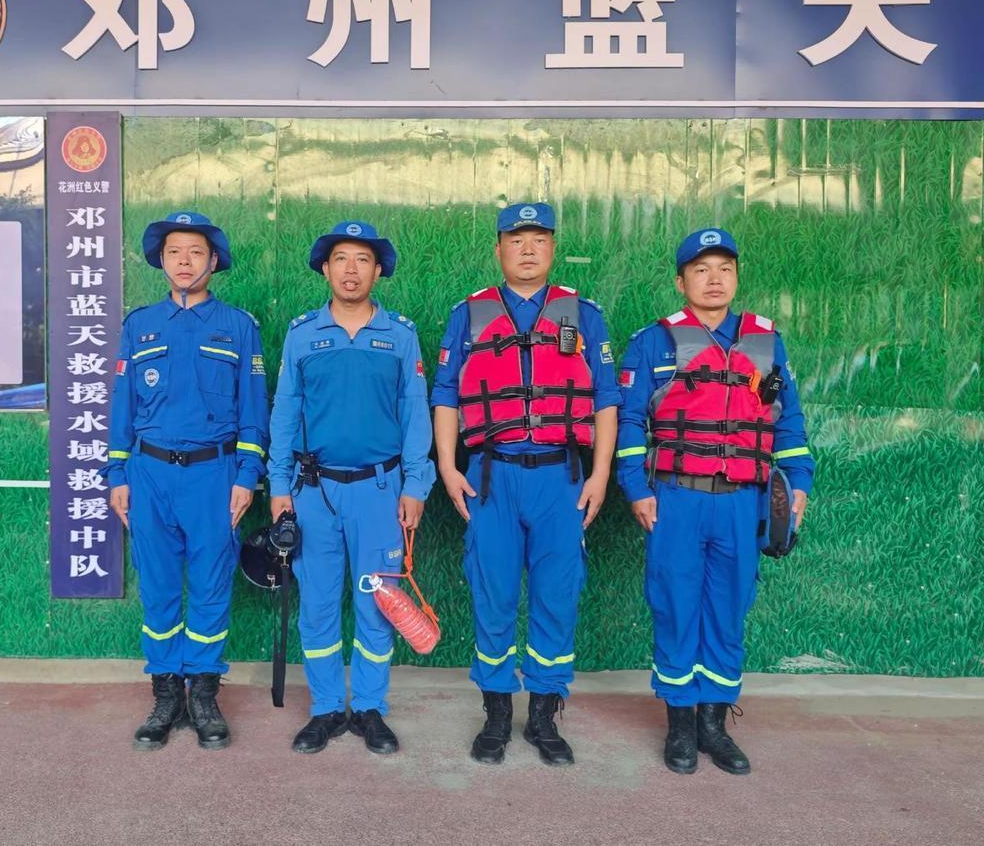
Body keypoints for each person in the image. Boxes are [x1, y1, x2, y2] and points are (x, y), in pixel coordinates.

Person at [616, 227, 814, 775]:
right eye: (701, 270)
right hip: (676, 498)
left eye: (725, 268)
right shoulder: (653, 342)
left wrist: (798, 482)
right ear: (681, 281)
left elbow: (788, 421)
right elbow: (630, 421)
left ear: (737, 277)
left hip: (742, 502)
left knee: (728, 609)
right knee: (676, 606)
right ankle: (680, 726)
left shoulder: (765, 342)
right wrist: (636, 489)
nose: (714, 279)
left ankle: (714, 726)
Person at [431, 202, 620, 766]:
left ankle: (542, 715)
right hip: (492, 476)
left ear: (553, 247)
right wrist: (448, 467)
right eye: (516, 239)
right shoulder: (469, 314)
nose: (528, 248)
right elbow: (446, 394)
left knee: (556, 595)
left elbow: (606, 399)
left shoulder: (583, 315)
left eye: (539, 238)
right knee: (492, 593)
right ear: (499, 249)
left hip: (562, 478)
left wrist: (601, 474)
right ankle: (495, 714)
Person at [103, 211, 269, 751]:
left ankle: (204, 694)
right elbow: (123, 406)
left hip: (213, 476)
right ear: (161, 260)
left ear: (213, 261)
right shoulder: (140, 326)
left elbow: (254, 411)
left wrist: (247, 476)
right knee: (157, 586)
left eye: (196, 252)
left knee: (211, 585)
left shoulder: (238, 326)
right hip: (149, 475)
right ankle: (165, 694)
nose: (184, 261)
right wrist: (118, 473)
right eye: (174, 251)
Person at [268, 221, 435, 756]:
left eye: (363, 260)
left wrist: (416, 484)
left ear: (378, 271)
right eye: (341, 258)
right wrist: (278, 485)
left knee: (377, 603)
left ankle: (368, 708)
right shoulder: (302, 334)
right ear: (325, 269)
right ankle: (324, 709)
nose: (351, 269)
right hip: (313, 493)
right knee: (317, 605)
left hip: (380, 492)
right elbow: (285, 412)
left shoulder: (400, 335)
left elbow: (415, 413)